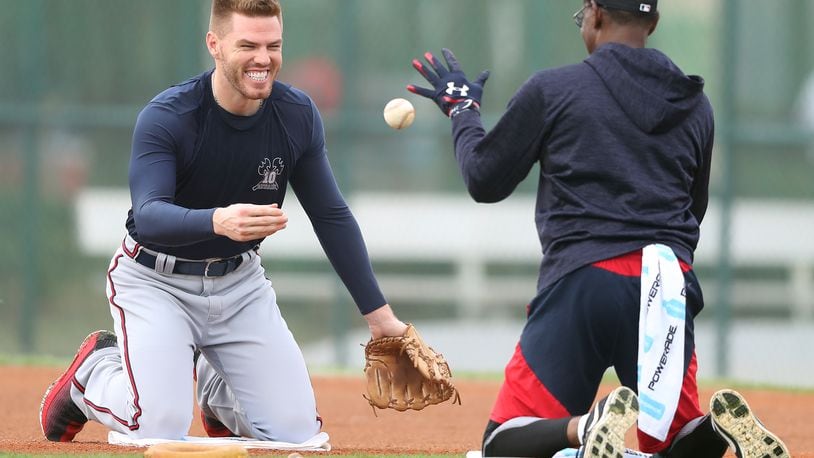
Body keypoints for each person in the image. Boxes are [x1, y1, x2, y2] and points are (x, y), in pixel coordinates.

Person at [408, 1, 791, 457]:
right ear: (653, 22)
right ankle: (717, 429)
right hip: (665, 284)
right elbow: (695, 207)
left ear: (595, 14)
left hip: (584, 280)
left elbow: (484, 179)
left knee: (500, 443)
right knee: (671, 445)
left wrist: (463, 111)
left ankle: (587, 425)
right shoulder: (696, 106)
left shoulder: (555, 89)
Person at [39, 0, 411, 443]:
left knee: (298, 439)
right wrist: (218, 221)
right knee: (158, 429)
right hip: (155, 282)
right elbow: (150, 216)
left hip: (239, 286)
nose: (263, 58)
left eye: (274, 45)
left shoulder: (295, 115)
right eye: (248, 45)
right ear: (214, 44)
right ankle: (94, 372)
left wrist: (379, 316)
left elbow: (330, 216)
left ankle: (217, 392)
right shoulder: (170, 116)